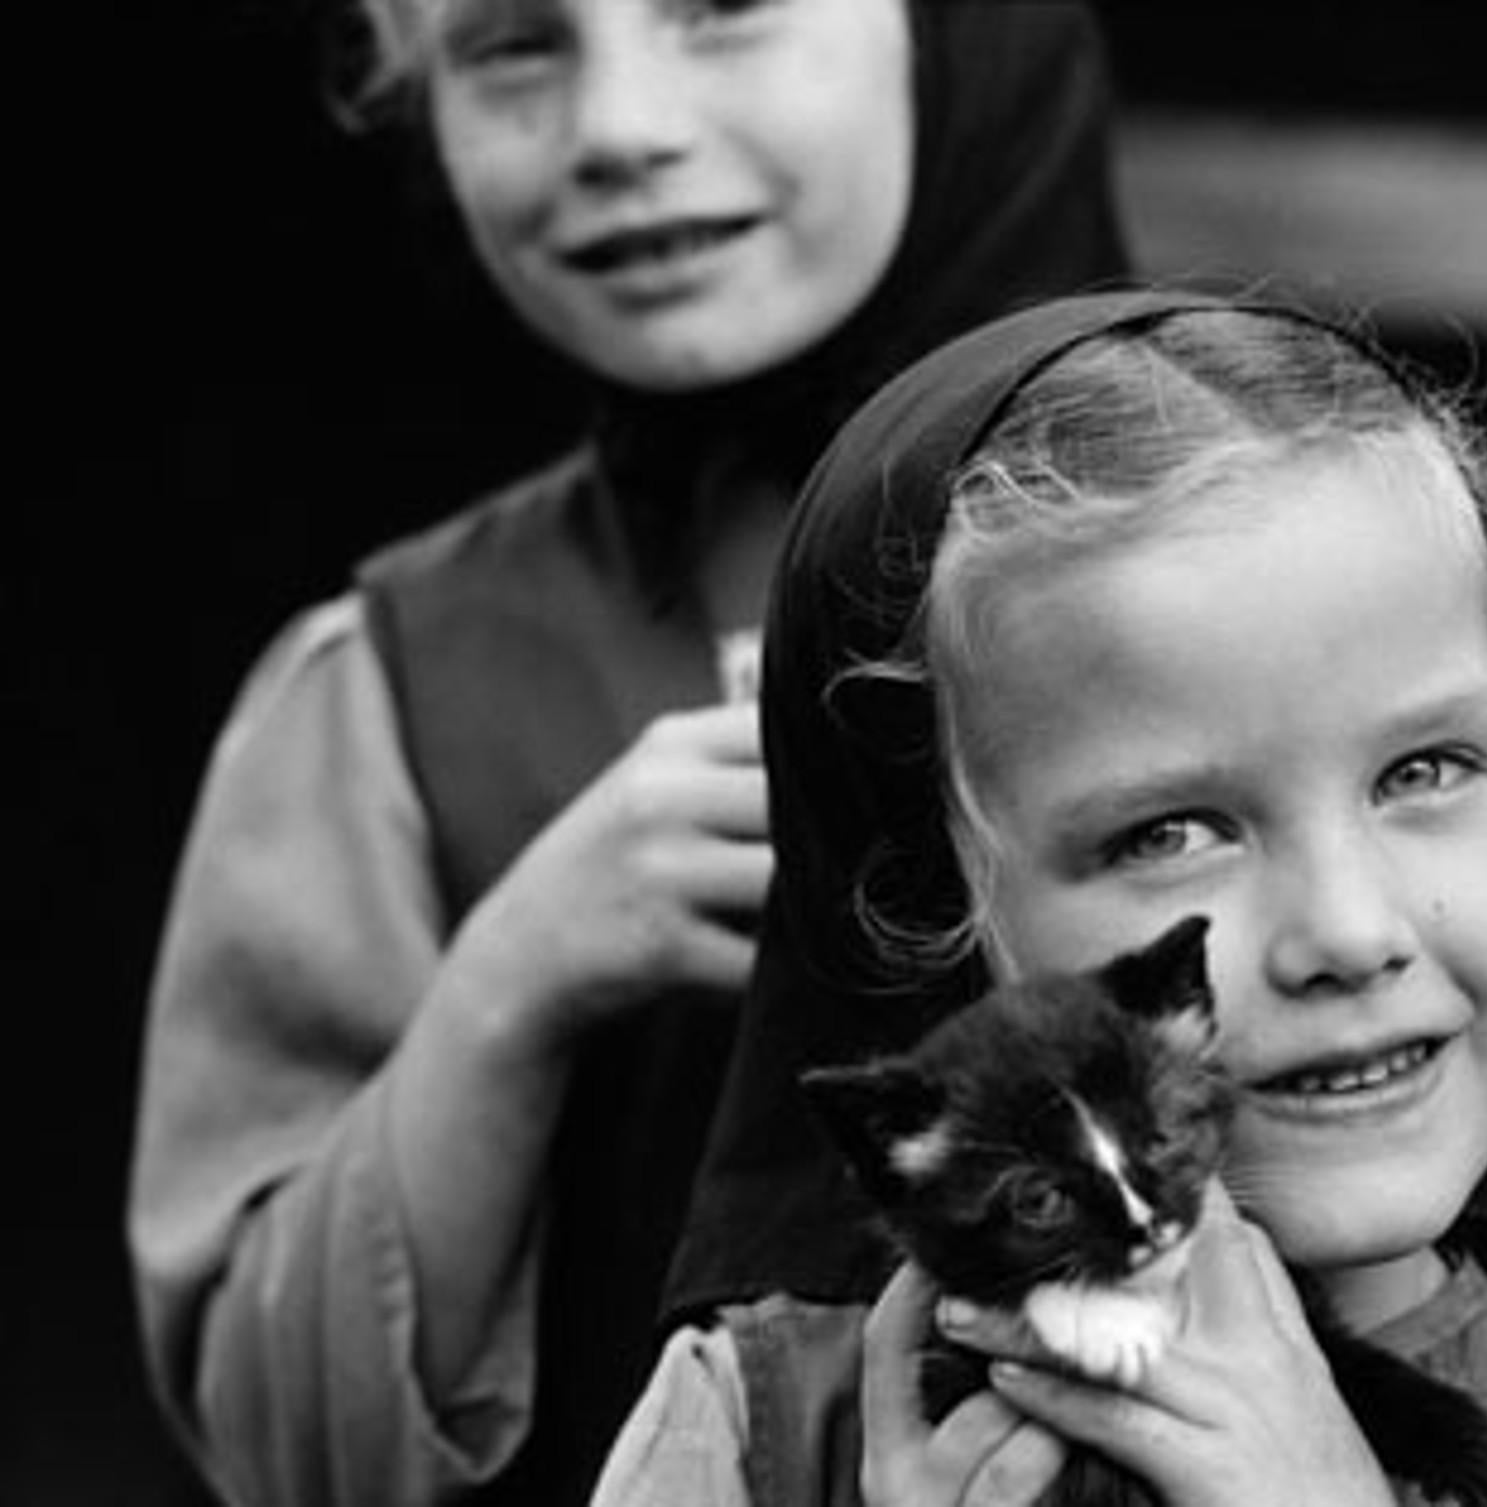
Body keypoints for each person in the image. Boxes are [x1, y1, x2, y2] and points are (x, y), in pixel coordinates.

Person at [589, 290, 1487, 1505]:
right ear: (945, 910)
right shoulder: (756, 1428)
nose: (1350, 935)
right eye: (1172, 832)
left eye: (1422, 770)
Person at [126, 4, 1130, 1505]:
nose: (617, 128)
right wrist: (512, 979)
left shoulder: (1276, 554)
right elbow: (281, 1447)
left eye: (720, 11)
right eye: (510, 47)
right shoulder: (394, 687)